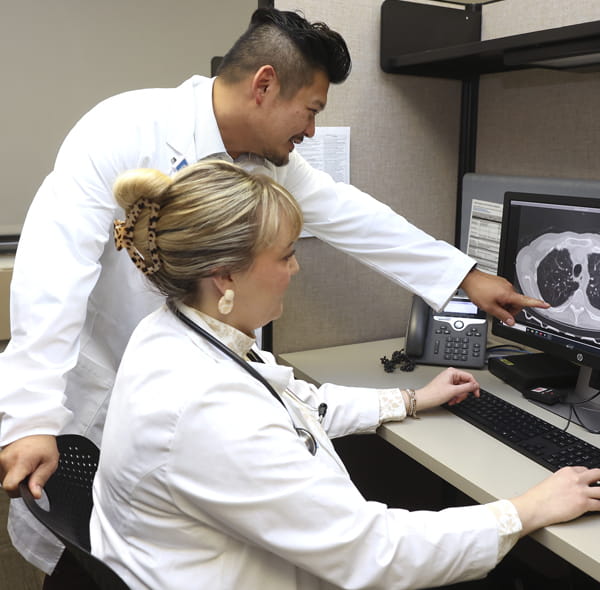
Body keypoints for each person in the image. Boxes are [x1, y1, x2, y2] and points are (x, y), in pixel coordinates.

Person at [0, 7, 547, 582]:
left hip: (185, 389)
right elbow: (51, 277)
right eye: (311, 110)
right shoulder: (124, 129)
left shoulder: (266, 165)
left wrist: (463, 279)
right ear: (264, 85)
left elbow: (352, 215)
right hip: (112, 389)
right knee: (114, 553)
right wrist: (31, 415)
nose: (312, 130)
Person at [89, 160, 600, 590]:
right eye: (287, 255)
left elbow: (295, 407)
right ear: (225, 275)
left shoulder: (173, 331)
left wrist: (408, 400)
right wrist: (524, 511)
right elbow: (371, 554)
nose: (296, 269)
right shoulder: (205, 405)